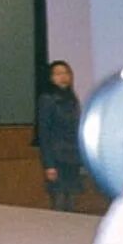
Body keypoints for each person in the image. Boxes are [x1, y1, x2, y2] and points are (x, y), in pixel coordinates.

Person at [37, 60, 82, 212]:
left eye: (66, 73)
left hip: (73, 156)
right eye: (58, 74)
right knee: (59, 199)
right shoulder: (47, 99)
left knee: (72, 200)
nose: (63, 77)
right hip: (57, 157)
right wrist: (49, 164)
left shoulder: (72, 100)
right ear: (51, 78)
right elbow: (44, 133)